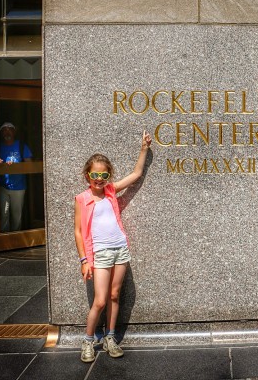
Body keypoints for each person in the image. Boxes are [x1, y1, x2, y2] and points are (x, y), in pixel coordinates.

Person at [74, 130, 152, 363]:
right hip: (100, 253)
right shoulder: (82, 199)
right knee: (100, 300)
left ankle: (110, 338)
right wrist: (84, 260)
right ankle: (88, 341)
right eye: (95, 174)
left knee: (115, 295)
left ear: (108, 175)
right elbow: (78, 232)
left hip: (120, 248)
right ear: (87, 175)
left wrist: (144, 149)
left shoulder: (110, 191)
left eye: (104, 174)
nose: (99, 178)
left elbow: (136, 174)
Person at [0, 122, 33, 232]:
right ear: (1, 133)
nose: (7, 132)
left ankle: (15, 239)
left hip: (18, 187)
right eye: (4, 130)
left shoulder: (21, 146)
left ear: (14, 132)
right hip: (3, 186)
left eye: (9, 129)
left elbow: (29, 164)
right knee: (3, 214)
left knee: (16, 215)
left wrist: (16, 165)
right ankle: (4, 239)